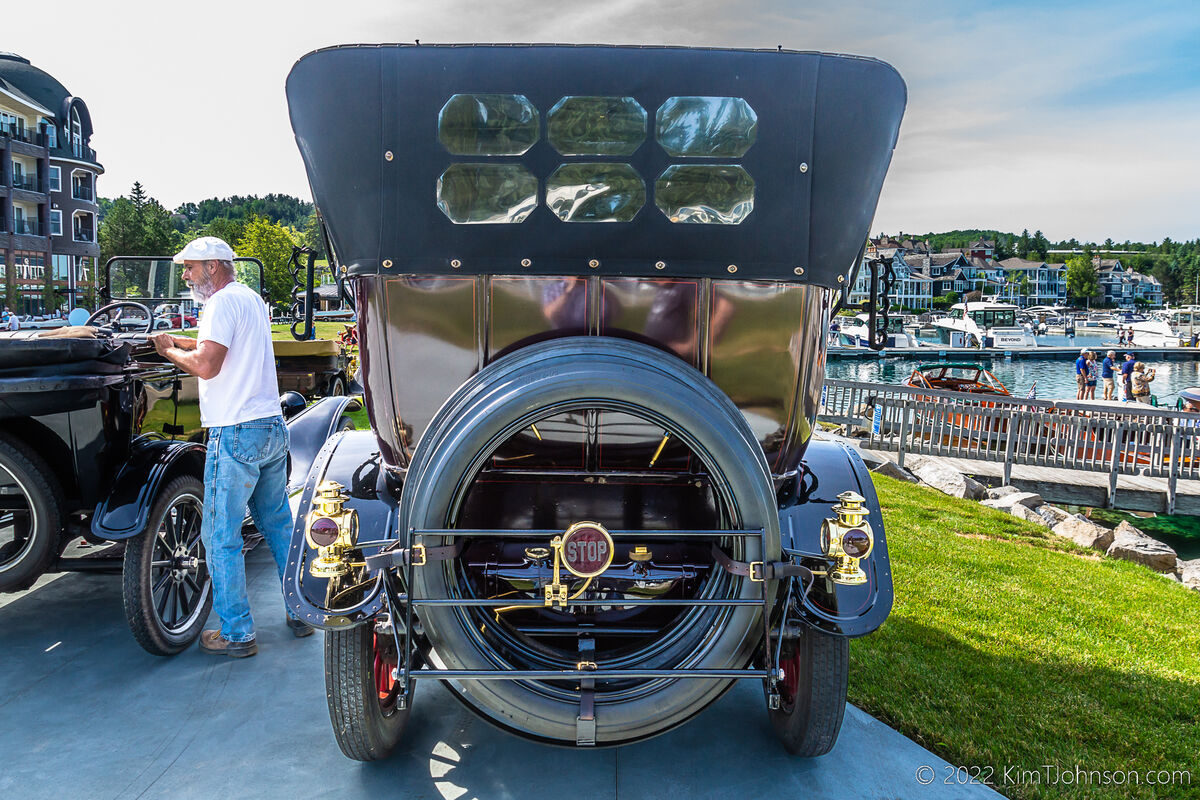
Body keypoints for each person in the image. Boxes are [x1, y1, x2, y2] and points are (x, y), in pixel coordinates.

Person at [151, 236, 311, 658]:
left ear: (213, 267)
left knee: (220, 535)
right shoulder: (250, 299)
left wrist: (169, 351)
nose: (185, 275)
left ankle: (237, 634)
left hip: (235, 429)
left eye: (189, 267)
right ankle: (302, 611)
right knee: (278, 524)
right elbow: (220, 347)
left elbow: (207, 364)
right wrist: (186, 341)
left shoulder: (219, 304)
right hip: (270, 425)